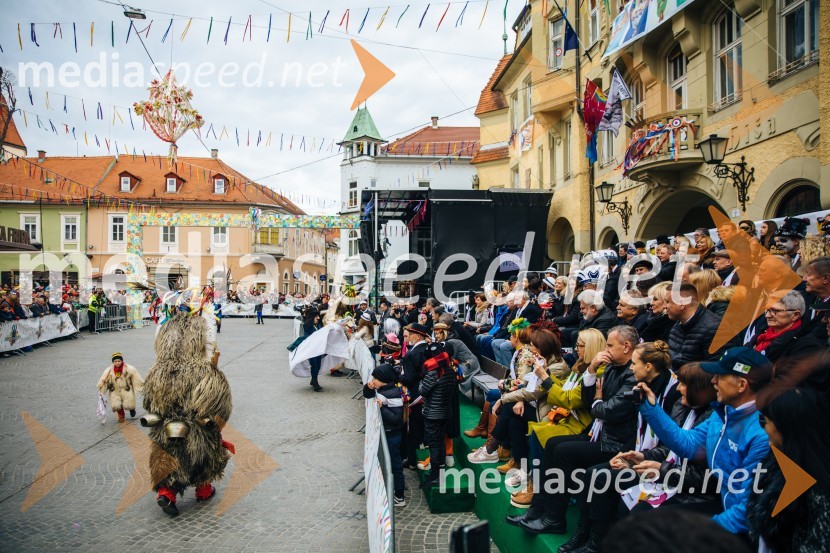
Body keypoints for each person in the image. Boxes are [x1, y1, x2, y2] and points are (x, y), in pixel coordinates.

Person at [510, 326, 639, 535]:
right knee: (551, 443)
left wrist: (596, 397)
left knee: (560, 449)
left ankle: (553, 518)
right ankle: (537, 511)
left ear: (626, 347)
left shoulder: (627, 373)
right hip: (599, 432)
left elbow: (597, 408)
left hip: (613, 441)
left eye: (610, 345)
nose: (605, 350)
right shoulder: (605, 368)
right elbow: (590, 400)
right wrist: (590, 374)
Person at [637, 347, 772, 534]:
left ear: (742, 385)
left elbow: (746, 511)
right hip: (724, 506)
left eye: (720, 376)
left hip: (744, 527)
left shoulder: (761, 435)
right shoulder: (724, 413)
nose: (714, 381)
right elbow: (688, 444)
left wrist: (703, 532)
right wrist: (650, 407)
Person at [562, 340, 680, 551]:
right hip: (636, 450)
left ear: (648, 367)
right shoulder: (644, 385)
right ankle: (584, 532)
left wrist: (637, 457)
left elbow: (671, 441)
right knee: (592, 474)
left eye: (634, 363)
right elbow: (636, 429)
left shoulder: (673, 393)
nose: (631, 367)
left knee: (602, 477)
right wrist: (626, 454)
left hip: (658, 462)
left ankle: (597, 541)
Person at [142, 300, 231, 516]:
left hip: (165, 423)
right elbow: (218, 401)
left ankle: (166, 493)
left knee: (166, 454)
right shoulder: (204, 371)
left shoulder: (158, 370)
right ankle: (203, 490)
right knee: (207, 453)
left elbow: (148, 401)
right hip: (197, 422)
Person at [747, 387, 830, 552]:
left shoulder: (820, 495)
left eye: (764, 421)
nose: (762, 429)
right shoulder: (775, 462)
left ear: (784, 427)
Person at [490, 326, 569, 484]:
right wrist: (518, 397)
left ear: (542, 347)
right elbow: (527, 385)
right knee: (514, 420)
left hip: (549, 414)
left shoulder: (557, 368)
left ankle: (494, 445)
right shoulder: (542, 360)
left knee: (506, 406)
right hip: (537, 406)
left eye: (532, 345)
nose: (530, 348)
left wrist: (503, 399)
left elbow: (536, 391)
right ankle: (521, 465)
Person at [363, 363, 407, 507]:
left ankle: (399, 495)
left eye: (375, 378)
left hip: (392, 435)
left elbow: (396, 419)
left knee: (395, 464)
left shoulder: (394, 394)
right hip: (385, 433)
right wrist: (367, 388)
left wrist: (382, 409)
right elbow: (368, 395)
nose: (372, 380)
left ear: (384, 379)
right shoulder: (382, 389)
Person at [419, 341, 459, 488]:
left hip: (433, 414)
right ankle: (438, 473)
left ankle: (435, 475)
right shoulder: (449, 369)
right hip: (445, 412)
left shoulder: (433, 371)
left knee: (435, 445)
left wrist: (421, 383)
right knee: (440, 443)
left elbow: (423, 391)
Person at [666, 282, 726, 369]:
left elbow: (715, 370)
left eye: (667, 302)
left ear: (682, 304)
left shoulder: (714, 329)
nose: (665, 306)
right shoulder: (679, 322)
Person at [401, 323, 431, 470]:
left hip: (416, 395)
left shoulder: (412, 354)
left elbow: (408, 378)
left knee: (413, 428)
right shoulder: (429, 349)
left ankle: (412, 459)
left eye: (410, 335)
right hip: (429, 392)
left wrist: (398, 376)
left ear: (418, 336)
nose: (408, 338)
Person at [97, 352, 144, 423]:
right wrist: (102, 386)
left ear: (122, 361)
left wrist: (140, 386)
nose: (117, 363)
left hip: (126, 389)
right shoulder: (109, 371)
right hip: (114, 390)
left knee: (129, 403)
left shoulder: (129, 369)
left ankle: (132, 410)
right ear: (113, 362)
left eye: (119, 361)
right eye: (115, 361)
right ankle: (121, 416)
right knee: (117, 405)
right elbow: (104, 380)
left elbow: (136, 378)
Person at [303, 311, 324, 391]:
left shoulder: (318, 325)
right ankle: (315, 383)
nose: (318, 318)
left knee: (318, 365)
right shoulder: (307, 326)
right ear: (312, 317)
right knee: (314, 365)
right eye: (316, 317)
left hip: (318, 349)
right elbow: (307, 337)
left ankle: (313, 380)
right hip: (312, 349)